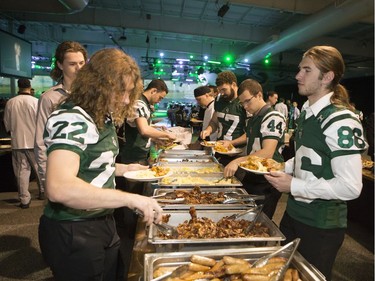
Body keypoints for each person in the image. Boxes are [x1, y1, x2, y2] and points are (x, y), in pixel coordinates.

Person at [38, 48, 163, 281]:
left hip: (101, 220)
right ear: (97, 85)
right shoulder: (72, 117)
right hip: (74, 228)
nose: (126, 100)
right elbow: (59, 186)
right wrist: (129, 198)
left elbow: (88, 163)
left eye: (129, 93)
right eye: (120, 92)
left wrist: (124, 169)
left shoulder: (99, 115)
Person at [264, 46, 367, 281]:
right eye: (300, 69)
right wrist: (284, 167)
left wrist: (294, 186)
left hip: (321, 225)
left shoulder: (341, 120)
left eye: (306, 70)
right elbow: (307, 156)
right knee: (281, 273)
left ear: (327, 77)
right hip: (293, 213)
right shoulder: (308, 112)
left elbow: (351, 187)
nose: (298, 75)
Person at [222, 79, 286, 219]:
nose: (245, 106)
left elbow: (267, 152)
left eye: (247, 101)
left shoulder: (273, 116)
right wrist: (231, 142)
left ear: (258, 95)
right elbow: (249, 135)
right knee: (247, 214)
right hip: (253, 172)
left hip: (268, 177)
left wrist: (238, 161)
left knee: (260, 221)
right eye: (242, 103)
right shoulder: (254, 117)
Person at [34, 41, 88, 200]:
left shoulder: (92, 96)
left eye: (82, 63)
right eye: (72, 64)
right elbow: (41, 142)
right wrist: (46, 181)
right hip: (62, 172)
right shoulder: (49, 98)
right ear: (60, 65)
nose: (79, 68)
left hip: (89, 170)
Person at [3, 78, 42, 209]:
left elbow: (7, 123)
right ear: (29, 86)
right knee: (39, 168)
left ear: (18, 87)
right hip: (35, 141)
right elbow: (41, 122)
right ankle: (43, 191)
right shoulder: (36, 102)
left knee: (21, 171)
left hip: (18, 141)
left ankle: (24, 199)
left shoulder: (11, 102)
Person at [119, 79, 175, 165]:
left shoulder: (145, 104)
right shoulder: (139, 103)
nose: (159, 101)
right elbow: (144, 130)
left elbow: (138, 129)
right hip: (133, 156)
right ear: (153, 91)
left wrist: (155, 138)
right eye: (160, 97)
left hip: (139, 154)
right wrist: (167, 135)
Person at [200, 71, 247, 165]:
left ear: (233, 85)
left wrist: (232, 143)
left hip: (238, 154)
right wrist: (208, 130)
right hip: (220, 150)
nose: (222, 93)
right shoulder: (219, 99)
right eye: (220, 90)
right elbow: (214, 121)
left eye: (224, 89)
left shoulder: (245, 101)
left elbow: (251, 132)